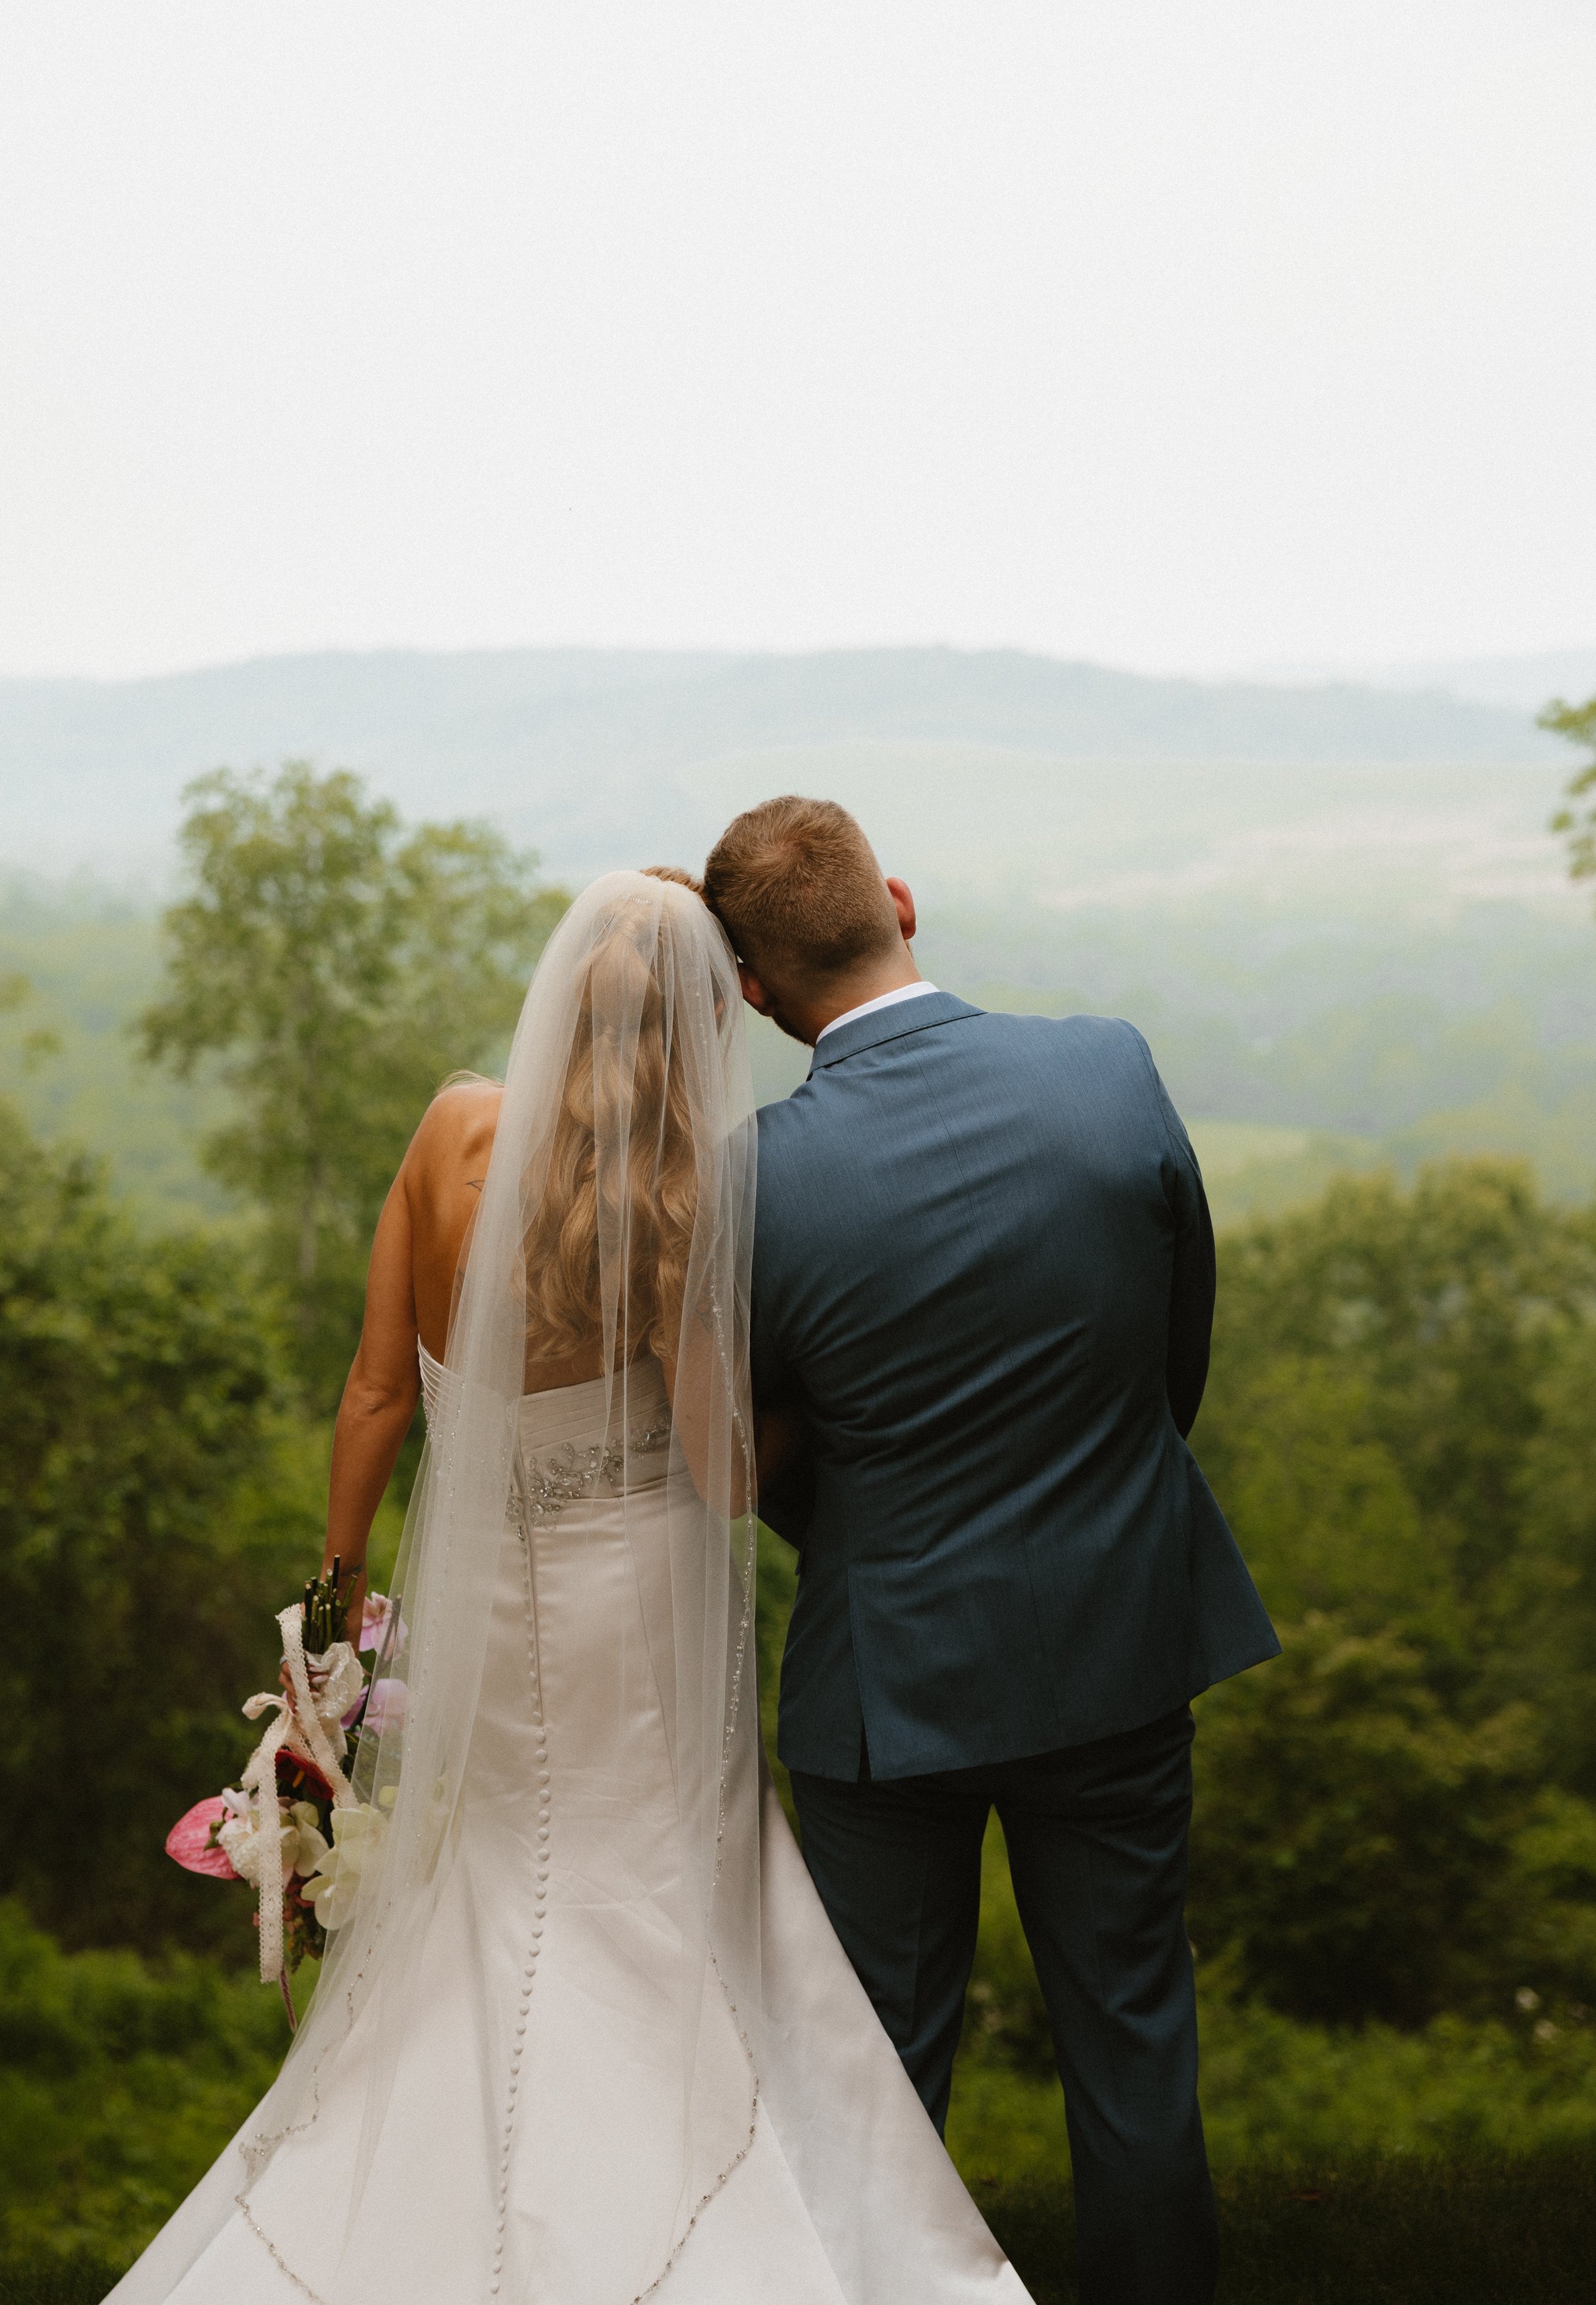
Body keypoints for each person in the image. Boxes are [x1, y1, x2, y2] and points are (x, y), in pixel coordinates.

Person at [108, 869, 1030, 2305]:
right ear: (694, 1023)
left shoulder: (449, 1131)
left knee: (489, 1885)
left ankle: (441, 2187)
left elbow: (373, 1392)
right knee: (651, 1885)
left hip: (480, 1600)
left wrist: (337, 1604)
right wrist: (832, 1406)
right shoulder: (668, 1198)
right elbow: (727, 1473)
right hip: (630, 1607)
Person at [702, 797, 1281, 2305]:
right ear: (898, 899)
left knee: (877, 2077)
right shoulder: (1108, 1065)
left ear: (752, 991)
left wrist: (870, 1535)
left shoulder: (754, 1175)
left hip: (887, 1682)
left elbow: (751, 1452)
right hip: (1117, 1638)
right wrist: (1092, 1498)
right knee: (1133, 2033)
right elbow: (1173, 1354)